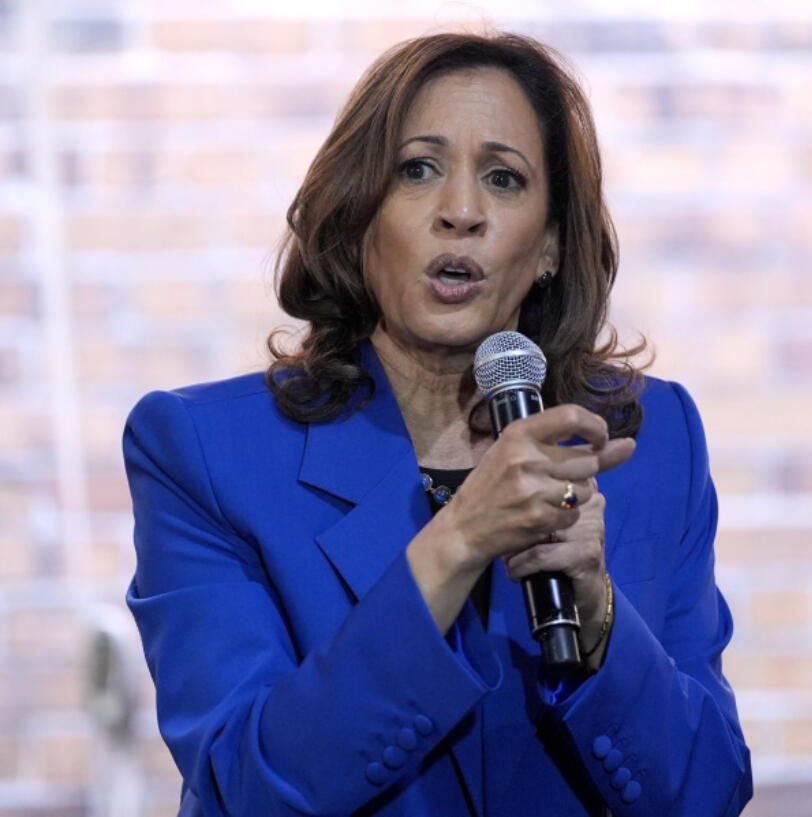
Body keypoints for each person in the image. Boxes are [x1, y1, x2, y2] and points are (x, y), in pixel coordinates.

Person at [123, 31, 751, 817]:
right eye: (418, 169)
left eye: (504, 178)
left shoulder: (652, 443)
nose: (461, 212)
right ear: (358, 219)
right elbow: (249, 791)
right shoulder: (205, 453)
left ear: (551, 243)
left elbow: (706, 794)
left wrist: (598, 618)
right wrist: (458, 541)